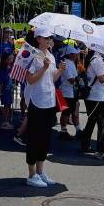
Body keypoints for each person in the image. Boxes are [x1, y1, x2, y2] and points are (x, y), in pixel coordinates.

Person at [24, 25, 66, 188]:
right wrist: (44, 67)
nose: (49, 40)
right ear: (38, 39)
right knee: (34, 138)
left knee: (45, 138)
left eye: (50, 38)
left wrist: (60, 70)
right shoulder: (33, 56)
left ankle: (41, 171)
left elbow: (52, 78)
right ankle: (31, 174)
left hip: (49, 102)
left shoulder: (51, 56)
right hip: (37, 101)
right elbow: (30, 79)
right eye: (46, 37)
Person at [80, 48, 104, 159]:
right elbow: (101, 78)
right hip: (96, 96)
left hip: (92, 95)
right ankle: (101, 150)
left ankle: (85, 144)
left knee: (91, 120)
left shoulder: (91, 58)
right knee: (101, 123)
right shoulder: (97, 59)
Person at [58, 46, 81, 139]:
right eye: (75, 54)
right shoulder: (66, 63)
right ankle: (63, 131)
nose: (77, 55)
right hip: (66, 92)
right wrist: (79, 81)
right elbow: (71, 79)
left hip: (71, 92)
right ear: (70, 54)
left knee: (73, 111)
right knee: (66, 113)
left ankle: (78, 130)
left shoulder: (71, 63)